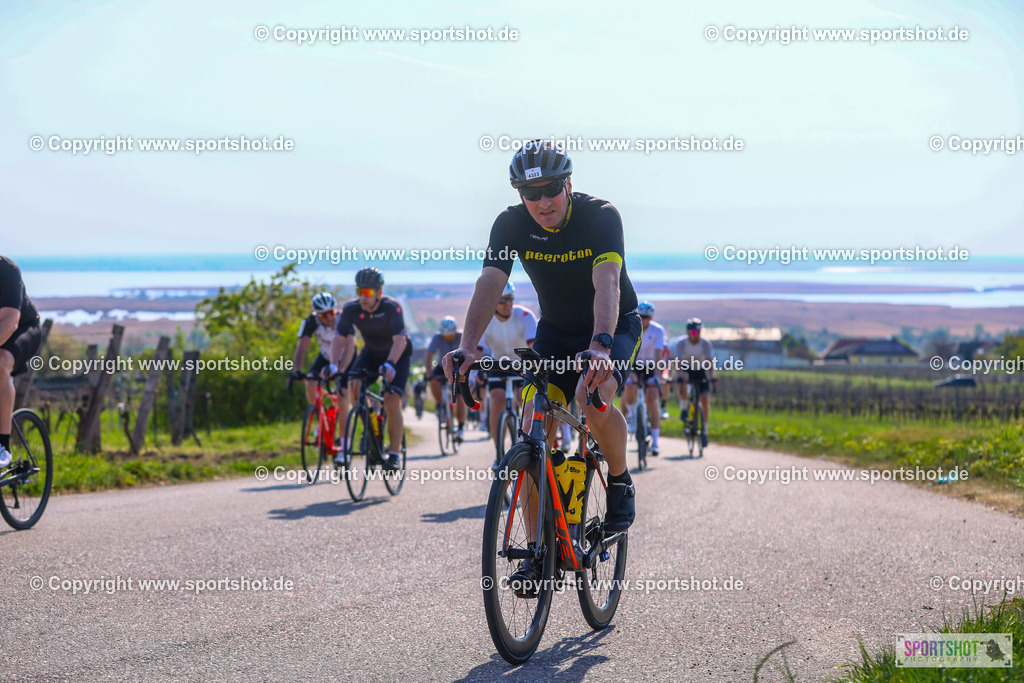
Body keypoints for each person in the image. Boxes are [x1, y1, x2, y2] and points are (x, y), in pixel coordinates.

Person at [443, 139, 641, 592]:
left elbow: (607, 280)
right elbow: (491, 281)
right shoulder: (510, 224)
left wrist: (601, 344)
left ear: (568, 183)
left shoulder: (600, 216)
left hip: (613, 325)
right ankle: (538, 552)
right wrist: (468, 346)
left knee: (592, 399)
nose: (543, 202)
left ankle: (619, 480)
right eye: (531, 194)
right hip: (555, 330)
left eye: (551, 189)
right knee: (534, 427)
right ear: (519, 196)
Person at [329, 268, 411, 470]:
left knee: (392, 399)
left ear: (379, 293)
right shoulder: (351, 310)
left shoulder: (392, 308)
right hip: (372, 353)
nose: (363, 297)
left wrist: (391, 363)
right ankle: (370, 425)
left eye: (368, 292)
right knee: (354, 384)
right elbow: (338, 339)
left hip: (397, 354)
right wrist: (333, 364)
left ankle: (393, 454)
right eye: (359, 291)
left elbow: (400, 340)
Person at [475, 281, 537, 465]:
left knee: (524, 399)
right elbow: (478, 352)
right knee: (496, 400)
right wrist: (474, 373)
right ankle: (499, 452)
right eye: (503, 300)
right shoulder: (485, 319)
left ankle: (530, 445)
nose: (508, 303)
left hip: (523, 364)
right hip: (498, 364)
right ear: (493, 302)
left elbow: (534, 347)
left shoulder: (525, 316)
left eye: (511, 298)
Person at [0, 256, 43, 468]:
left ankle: (2, 445)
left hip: (23, 328)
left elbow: (9, 322)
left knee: (0, 363)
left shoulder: (7, 269)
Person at [290, 293, 350, 444]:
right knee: (310, 382)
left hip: (346, 358)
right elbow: (301, 348)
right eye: (324, 315)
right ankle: (319, 418)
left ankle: (348, 441)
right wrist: (296, 370)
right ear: (317, 315)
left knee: (345, 397)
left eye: (331, 313)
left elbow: (350, 347)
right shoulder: (310, 321)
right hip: (325, 356)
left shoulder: (344, 319)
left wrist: (340, 370)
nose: (329, 318)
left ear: (335, 310)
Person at [621, 301, 667, 455]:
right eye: (641, 316)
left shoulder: (658, 330)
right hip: (634, 364)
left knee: (653, 401)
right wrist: (627, 373)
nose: (644, 320)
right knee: (629, 385)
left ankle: (655, 442)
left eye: (646, 317)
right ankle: (633, 417)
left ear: (651, 317)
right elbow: (627, 352)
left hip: (651, 366)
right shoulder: (633, 328)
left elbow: (658, 353)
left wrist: (656, 376)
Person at [424, 316, 467, 443]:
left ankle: (460, 428)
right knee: (433, 381)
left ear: (455, 332)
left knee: (460, 398)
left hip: (459, 367)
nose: (448, 339)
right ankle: (440, 404)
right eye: (445, 337)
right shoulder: (437, 337)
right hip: (442, 366)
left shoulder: (461, 336)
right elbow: (428, 356)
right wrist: (429, 373)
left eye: (450, 336)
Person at [675, 317, 716, 448]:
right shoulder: (681, 343)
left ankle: (704, 430)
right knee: (682, 383)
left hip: (699, 370)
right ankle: (683, 408)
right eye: (693, 332)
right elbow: (678, 362)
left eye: (698, 332)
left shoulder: (705, 343)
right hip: (686, 369)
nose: (695, 334)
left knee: (704, 399)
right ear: (688, 333)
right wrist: (681, 374)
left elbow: (709, 361)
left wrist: (712, 376)